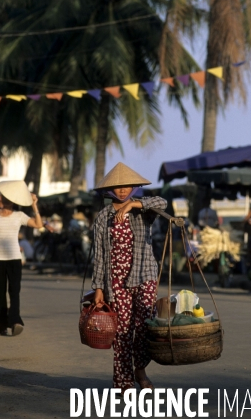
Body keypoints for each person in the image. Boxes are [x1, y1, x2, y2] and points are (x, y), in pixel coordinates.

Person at [92, 162, 167, 392]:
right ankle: (123, 382)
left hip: (144, 275)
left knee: (144, 327)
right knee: (122, 331)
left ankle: (140, 371)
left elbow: (162, 203)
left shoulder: (143, 210)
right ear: (111, 188)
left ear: (133, 187)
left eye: (127, 186)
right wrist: (99, 288)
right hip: (116, 281)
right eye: (118, 186)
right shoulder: (103, 216)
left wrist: (135, 204)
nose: (123, 190)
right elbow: (99, 254)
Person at [0, 180, 43, 336]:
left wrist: (34, 205)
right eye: (4, 197)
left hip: (14, 259)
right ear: (1, 198)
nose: (6, 199)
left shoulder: (19, 215)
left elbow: (38, 225)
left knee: (14, 291)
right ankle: (2, 325)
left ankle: (15, 321)